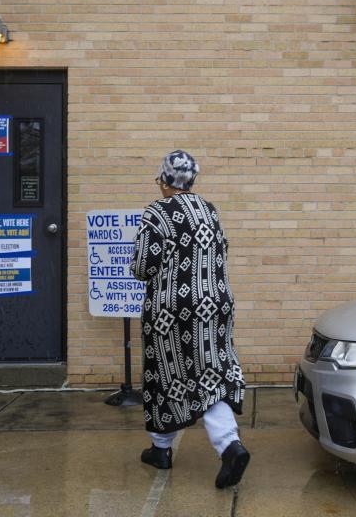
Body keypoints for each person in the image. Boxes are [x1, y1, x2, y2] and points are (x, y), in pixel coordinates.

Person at [130, 150, 250, 489]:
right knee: (211, 372)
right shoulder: (209, 210)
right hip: (216, 305)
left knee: (165, 372)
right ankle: (217, 446)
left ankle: (174, 448)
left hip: (172, 310)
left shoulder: (157, 212)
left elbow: (143, 267)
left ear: (166, 180)